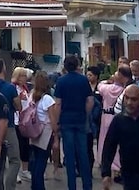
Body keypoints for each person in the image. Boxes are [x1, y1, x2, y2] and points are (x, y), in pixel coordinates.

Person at [54, 54, 94, 190]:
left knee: (69, 156)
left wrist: (57, 121)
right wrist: (85, 113)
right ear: (77, 65)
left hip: (66, 121)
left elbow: (58, 103)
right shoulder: (83, 80)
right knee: (83, 154)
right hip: (80, 119)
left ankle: (72, 186)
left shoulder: (61, 81)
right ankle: (87, 186)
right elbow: (90, 100)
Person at [0, 57, 21, 190]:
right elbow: (18, 106)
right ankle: (9, 186)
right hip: (8, 127)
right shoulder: (10, 87)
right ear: (3, 68)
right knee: (14, 160)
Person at [27, 71, 58, 190]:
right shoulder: (48, 99)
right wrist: (56, 135)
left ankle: (34, 186)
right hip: (45, 133)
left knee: (35, 161)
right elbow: (53, 119)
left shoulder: (31, 96)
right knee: (41, 162)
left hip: (33, 131)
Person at [97, 66, 130, 175]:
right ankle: (117, 164)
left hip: (105, 115)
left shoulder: (107, 88)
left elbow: (99, 85)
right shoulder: (123, 90)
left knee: (104, 140)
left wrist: (107, 80)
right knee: (117, 142)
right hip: (116, 116)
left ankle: (104, 161)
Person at [12, 67, 32, 182]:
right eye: (23, 75)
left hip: (25, 121)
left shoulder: (25, 88)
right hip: (16, 120)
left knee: (25, 146)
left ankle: (25, 170)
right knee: (17, 147)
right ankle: (17, 172)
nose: (25, 78)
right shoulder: (14, 88)